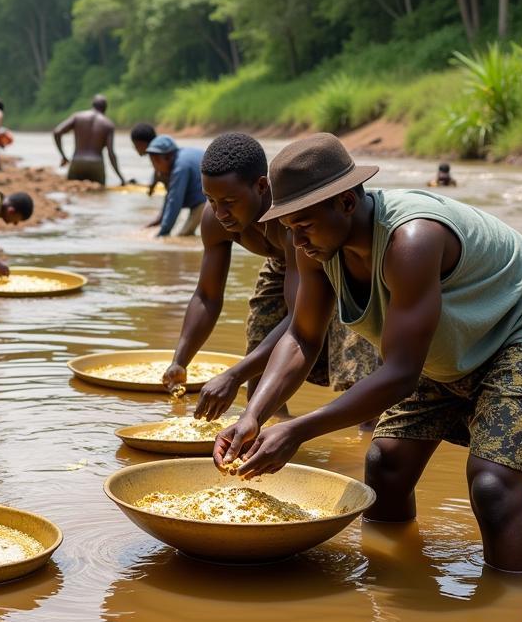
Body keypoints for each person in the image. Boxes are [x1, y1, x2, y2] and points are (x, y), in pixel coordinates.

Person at [214, 133, 522, 572]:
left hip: (520, 330)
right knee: (385, 464)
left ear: (346, 202)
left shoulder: (412, 240)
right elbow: (302, 338)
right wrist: (254, 414)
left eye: (304, 225)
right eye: (289, 228)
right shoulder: (316, 246)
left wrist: (299, 431)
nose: (298, 240)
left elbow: (401, 373)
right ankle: (393, 593)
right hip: (446, 343)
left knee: (493, 487)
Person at [162, 132, 379, 419]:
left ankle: (362, 440)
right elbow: (207, 296)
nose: (220, 212)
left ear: (261, 186)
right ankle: (268, 428)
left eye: (229, 201)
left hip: (328, 256)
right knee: (259, 349)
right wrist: (180, 360)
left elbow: (298, 320)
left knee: (356, 365)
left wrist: (233, 375)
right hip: (282, 264)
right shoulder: (215, 221)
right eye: (211, 200)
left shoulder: (294, 225)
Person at [52, 95, 128, 186]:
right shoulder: (108, 124)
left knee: (72, 193)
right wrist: (121, 178)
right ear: (105, 108)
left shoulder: (78, 117)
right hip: (96, 164)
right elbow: (111, 153)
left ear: (92, 105)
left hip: (77, 162)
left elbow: (57, 132)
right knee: (99, 195)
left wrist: (63, 156)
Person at [145, 135, 207, 237]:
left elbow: (175, 202)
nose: (155, 167)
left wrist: (162, 233)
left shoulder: (180, 168)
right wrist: (160, 220)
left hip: (207, 199)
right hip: (206, 194)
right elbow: (170, 196)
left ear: (168, 157)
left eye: (156, 161)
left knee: (183, 236)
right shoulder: (180, 157)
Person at [130, 122, 164, 195]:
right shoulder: (157, 150)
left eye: (135, 146)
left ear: (141, 144)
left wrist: (151, 189)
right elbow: (157, 172)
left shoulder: (156, 154)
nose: (136, 149)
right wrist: (151, 189)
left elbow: (160, 173)